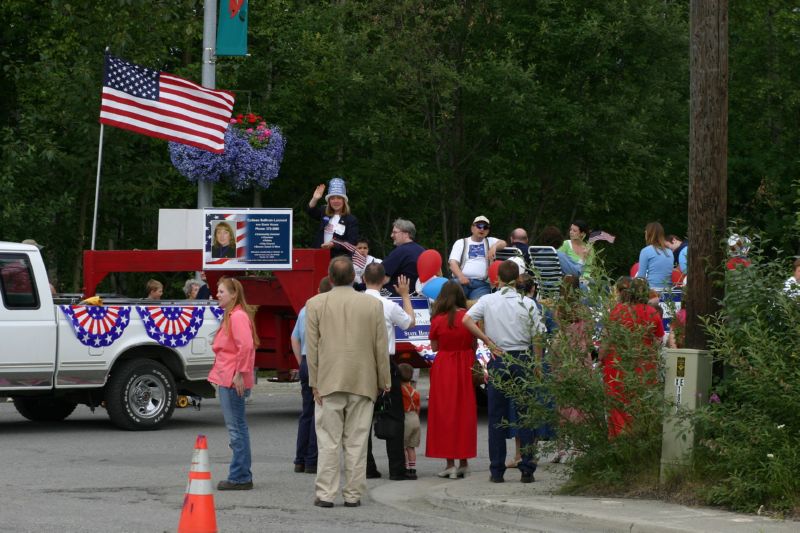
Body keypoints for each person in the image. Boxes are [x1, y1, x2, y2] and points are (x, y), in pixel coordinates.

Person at [305, 256, 391, 508]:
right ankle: (353, 494)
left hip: (328, 379)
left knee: (328, 441)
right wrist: (384, 380)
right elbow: (380, 346)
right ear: (354, 277)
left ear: (330, 278)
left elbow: (312, 348)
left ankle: (325, 493)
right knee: (357, 441)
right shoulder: (372, 305)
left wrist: (314, 382)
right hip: (363, 380)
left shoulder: (315, 304)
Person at [463, 261, 546, 483]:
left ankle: (497, 470)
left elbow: (466, 320)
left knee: (497, 416)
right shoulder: (528, 303)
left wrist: (486, 340)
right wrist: (537, 363)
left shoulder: (488, 300)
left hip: (498, 357)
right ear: (518, 279)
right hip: (522, 358)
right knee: (525, 414)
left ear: (497, 278)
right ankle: (527, 468)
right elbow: (538, 335)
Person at [363, 263, 415, 481]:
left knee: (362, 417)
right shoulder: (388, 305)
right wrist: (405, 295)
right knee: (394, 416)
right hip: (385, 361)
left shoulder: (356, 302)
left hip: (361, 363)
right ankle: (397, 469)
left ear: (363, 279)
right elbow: (409, 323)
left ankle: (367, 467)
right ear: (384, 279)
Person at [208, 277, 259, 490]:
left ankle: (240, 476)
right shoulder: (233, 315)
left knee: (236, 428)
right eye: (218, 291)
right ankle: (241, 473)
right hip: (229, 377)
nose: (217, 294)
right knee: (237, 427)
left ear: (233, 294)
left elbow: (245, 346)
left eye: (221, 291)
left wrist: (239, 373)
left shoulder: (237, 316)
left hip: (231, 379)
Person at [425, 280, 477, 478]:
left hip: (444, 366)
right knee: (464, 413)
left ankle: (450, 464)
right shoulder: (468, 317)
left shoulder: (438, 319)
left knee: (445, 414)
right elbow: (474, 344)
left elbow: (434, 347)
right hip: (465, 365)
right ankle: (464, 462)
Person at [600, 277, 664, 438]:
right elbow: (658, 342)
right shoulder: (653, 313)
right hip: (643, 365)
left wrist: (601, 358)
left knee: (617, 403)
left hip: (617, 364)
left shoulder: (617, 311)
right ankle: (639, 440)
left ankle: (619, 439)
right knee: (640, 403)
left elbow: (607, 339)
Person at [291, 276, 333, 476]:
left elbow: (294, 338)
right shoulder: (329, 310)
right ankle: (312, 460)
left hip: (306, 361)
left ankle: (299, 459)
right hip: (322, 362)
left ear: (318, 290)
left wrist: (301, 360)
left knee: (306, 412)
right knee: (320, 413)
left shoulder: (304, 310)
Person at [448, 215, 507, 300]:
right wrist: (461, 277)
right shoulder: (461, 242)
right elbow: (452, 263)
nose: (482, 229)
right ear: (472, 228)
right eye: (479, 226)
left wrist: (494, 247)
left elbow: (503, 243)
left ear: (488, 231)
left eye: (485, 227)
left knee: (479, 305)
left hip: (482, 285)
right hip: (460, 281)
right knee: (451, 299)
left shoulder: (490, 241)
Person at [306, 177, 359, 258]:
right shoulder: (324, 211)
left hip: (339, 259)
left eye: (339, 198)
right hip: (319, 255)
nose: (335, 201)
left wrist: (334, 244)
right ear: (329, 201)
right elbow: (310, 211)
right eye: (332, 198)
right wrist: (315, 199)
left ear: (344, 201)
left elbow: (352, 243)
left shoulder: (351, 220)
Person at [381, 218, 426, 296]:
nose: (391, 235)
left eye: (395, 232)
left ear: (406, 234)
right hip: (419, 297)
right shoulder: (423, 251)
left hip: (396, 297)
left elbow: (382, 277)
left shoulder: (400, 251)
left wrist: (362, 286)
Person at [398, 363, 421, 480]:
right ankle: (413, 469)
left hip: (406, 418)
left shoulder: (400, 391)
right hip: (415, 419)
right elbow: (418, 408)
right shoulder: (415, 392)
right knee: (411, 447)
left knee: (403, 446)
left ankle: (405, 468)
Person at [635, 222, 674, 291]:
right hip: (669, 292)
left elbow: (641, 277)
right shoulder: (669, 252)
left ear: (649, 234)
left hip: (652, 291)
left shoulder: (645, 251)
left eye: (646, 232)